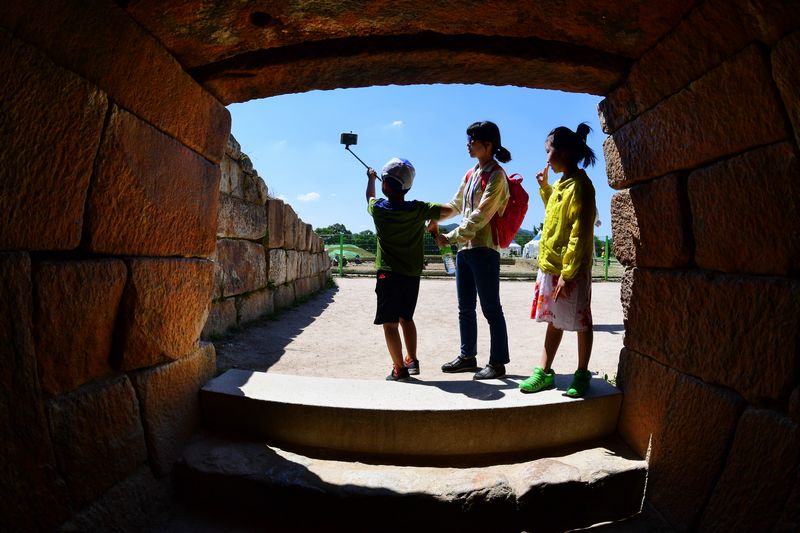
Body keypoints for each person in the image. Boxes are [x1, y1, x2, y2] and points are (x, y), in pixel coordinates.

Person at [520, 123, 597, 397]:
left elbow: (580, 232)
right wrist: (544, 188)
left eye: (548, 151)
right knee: (554, 319)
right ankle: (544, 371)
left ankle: (582, 372)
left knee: (580, 320)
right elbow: (555, 209)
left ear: (562, 152)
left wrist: (569, 272)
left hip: (570, 271)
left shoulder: (583, 187)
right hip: (553, 267)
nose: (546, 158)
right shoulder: (564, 183)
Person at [434, 121, 512, 380]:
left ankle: (498, 363)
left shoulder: (497, 176)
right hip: (465, 250)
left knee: (491, 308)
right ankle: (468, 357)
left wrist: (451, 236)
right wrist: (432, 215)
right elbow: (455, 205)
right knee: (465, 307)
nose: (468, 144)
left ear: (488, 145)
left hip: (484, 250)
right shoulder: (470, 175)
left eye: (473, 140)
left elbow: (481, 216)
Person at [367, 158, 456, 381]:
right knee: (407, 317)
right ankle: (412, 359)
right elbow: (449, 211)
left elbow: (369, 197)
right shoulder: (418, 209)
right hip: (411, 274)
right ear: (407, 187)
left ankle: (399, 369)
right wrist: (433, 218)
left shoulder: (378, 209)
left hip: (387, 274)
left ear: (384, 184)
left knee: (390, 323)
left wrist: (370, 178)